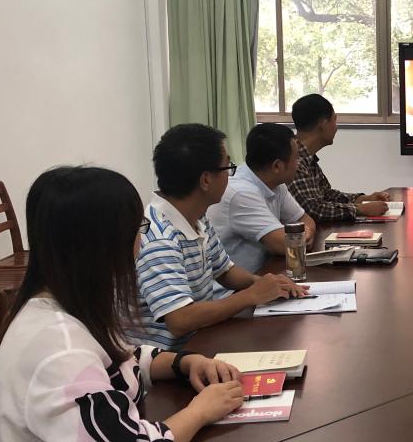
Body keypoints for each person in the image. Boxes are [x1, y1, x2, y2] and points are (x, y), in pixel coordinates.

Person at [0, 167, 244, 442]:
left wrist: (183, 363)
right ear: (103, 244)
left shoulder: (62, 304)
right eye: (137, 229)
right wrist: (200, 411)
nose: (142, 241)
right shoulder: (59, 346)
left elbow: (123, 359)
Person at [131, 124, 306, 351]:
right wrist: (251, 295)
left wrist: (264, 283)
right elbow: (179, 319)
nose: (230, 176)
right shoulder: (159, 238)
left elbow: (225, 271)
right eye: (227, 168)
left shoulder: (196, 217)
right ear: (206, 180)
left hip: (201, 339)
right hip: (168, 358)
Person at [208, 123, 316, 274]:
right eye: (296, 158)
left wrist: (304, 233)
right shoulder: (241, 193)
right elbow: (284, 244)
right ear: (277, 166)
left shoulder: (276, 184)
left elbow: (306, 221)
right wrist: (304, 235)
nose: (298, 164)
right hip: (238, 285)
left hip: (263, 275)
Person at [289, 94, 392, 221]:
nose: (336, 128)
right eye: (334, 120)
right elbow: (313, 209)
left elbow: (327, 195)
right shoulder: (294, 161)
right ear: (323, 124)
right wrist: (360, 209)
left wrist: (364, 199)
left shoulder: (307, 158)